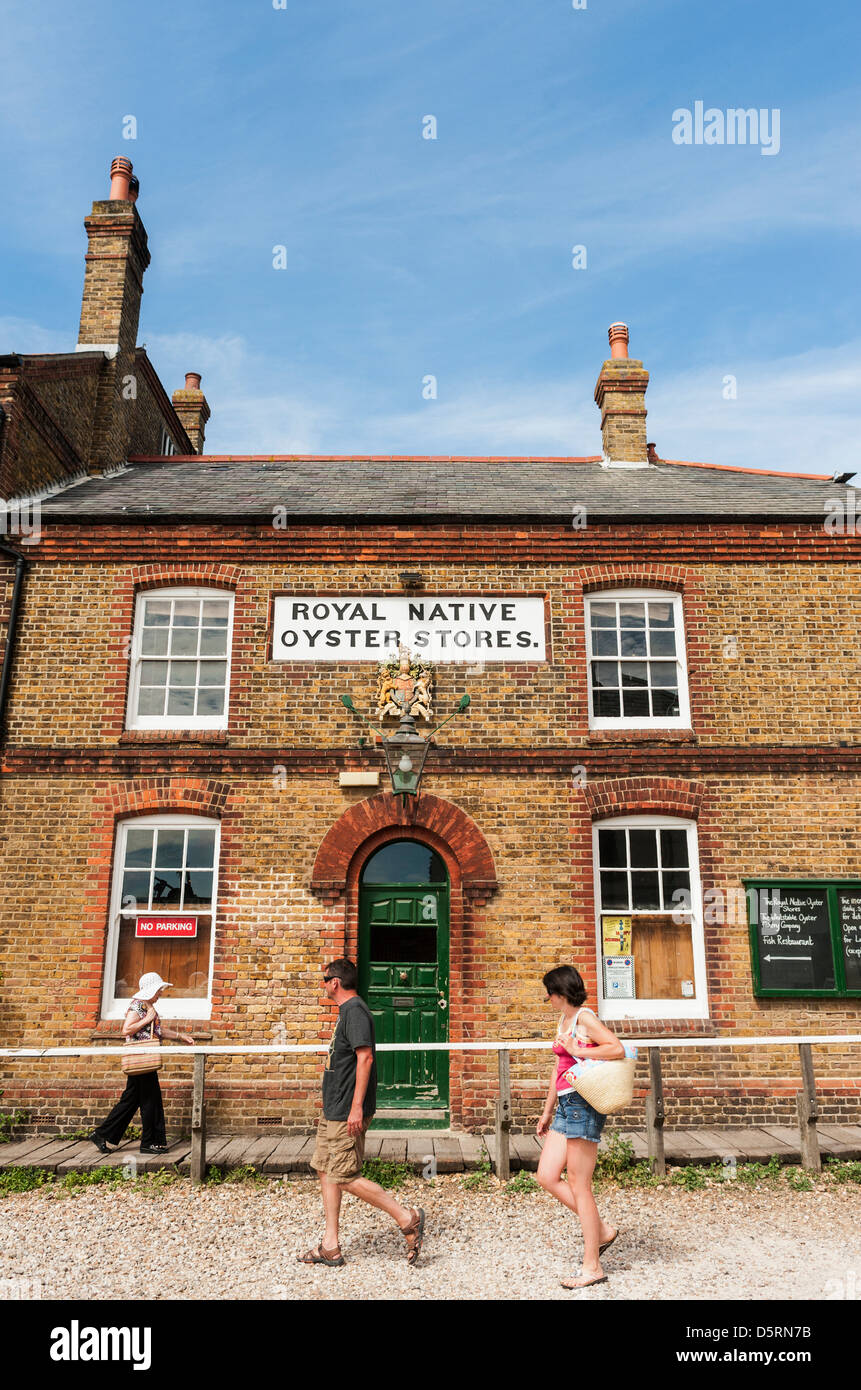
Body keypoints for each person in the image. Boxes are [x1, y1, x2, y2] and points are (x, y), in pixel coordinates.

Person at [298, 958, 425, 1267]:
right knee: (326, 1167)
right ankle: (330, 1245)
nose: (323, 984)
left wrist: (355, 1107)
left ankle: (407, 1218)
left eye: (324, 979)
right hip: (334, 1109)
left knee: (344, 1175)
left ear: (335, 983)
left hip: (346, 1110)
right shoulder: (348, 1011)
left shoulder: (355, 1011)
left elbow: (365, 1058)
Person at [536, 963, 625, 1290]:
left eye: (550, 993)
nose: (548, 998)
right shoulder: (564, 1019)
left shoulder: (585, 1017)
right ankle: (600, 1231)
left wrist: (576, 1048)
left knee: (579, 1184)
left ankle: (592, 1266)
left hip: (583, 1106)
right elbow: (558, 1068)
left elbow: (616, 1049)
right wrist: (547, 1110)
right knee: (546, 1175)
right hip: (565, 1105)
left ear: (560, 992)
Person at [89, 972, 194, 1155]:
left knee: (130, 1101)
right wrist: (147, 1018)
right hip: (141, 1058)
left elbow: (158, 1031)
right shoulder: (138, 1005)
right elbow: (126, 1029)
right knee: (150, 1101)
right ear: (151, 989)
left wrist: (180, 1036)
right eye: (159, 990)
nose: (161, 993)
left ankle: (102, 1134)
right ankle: (149, 1142)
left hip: (144, 1058)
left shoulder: (147, 1005)